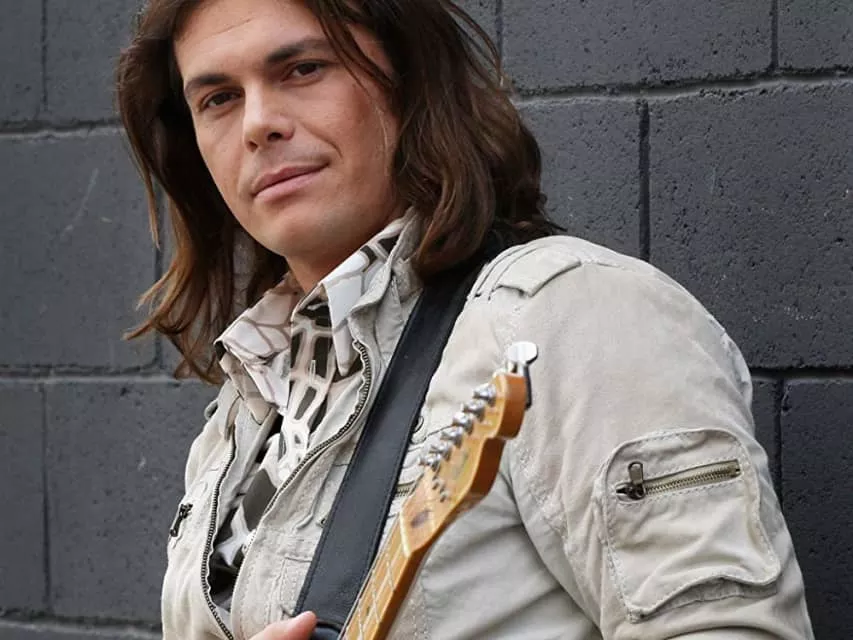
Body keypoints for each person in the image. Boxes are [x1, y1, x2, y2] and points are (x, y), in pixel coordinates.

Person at [116, 1, 814, 638]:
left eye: (303, 69)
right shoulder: (248, 405)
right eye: (218, 98)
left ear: (410, 80)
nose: (257, 124)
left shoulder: (567, 318)